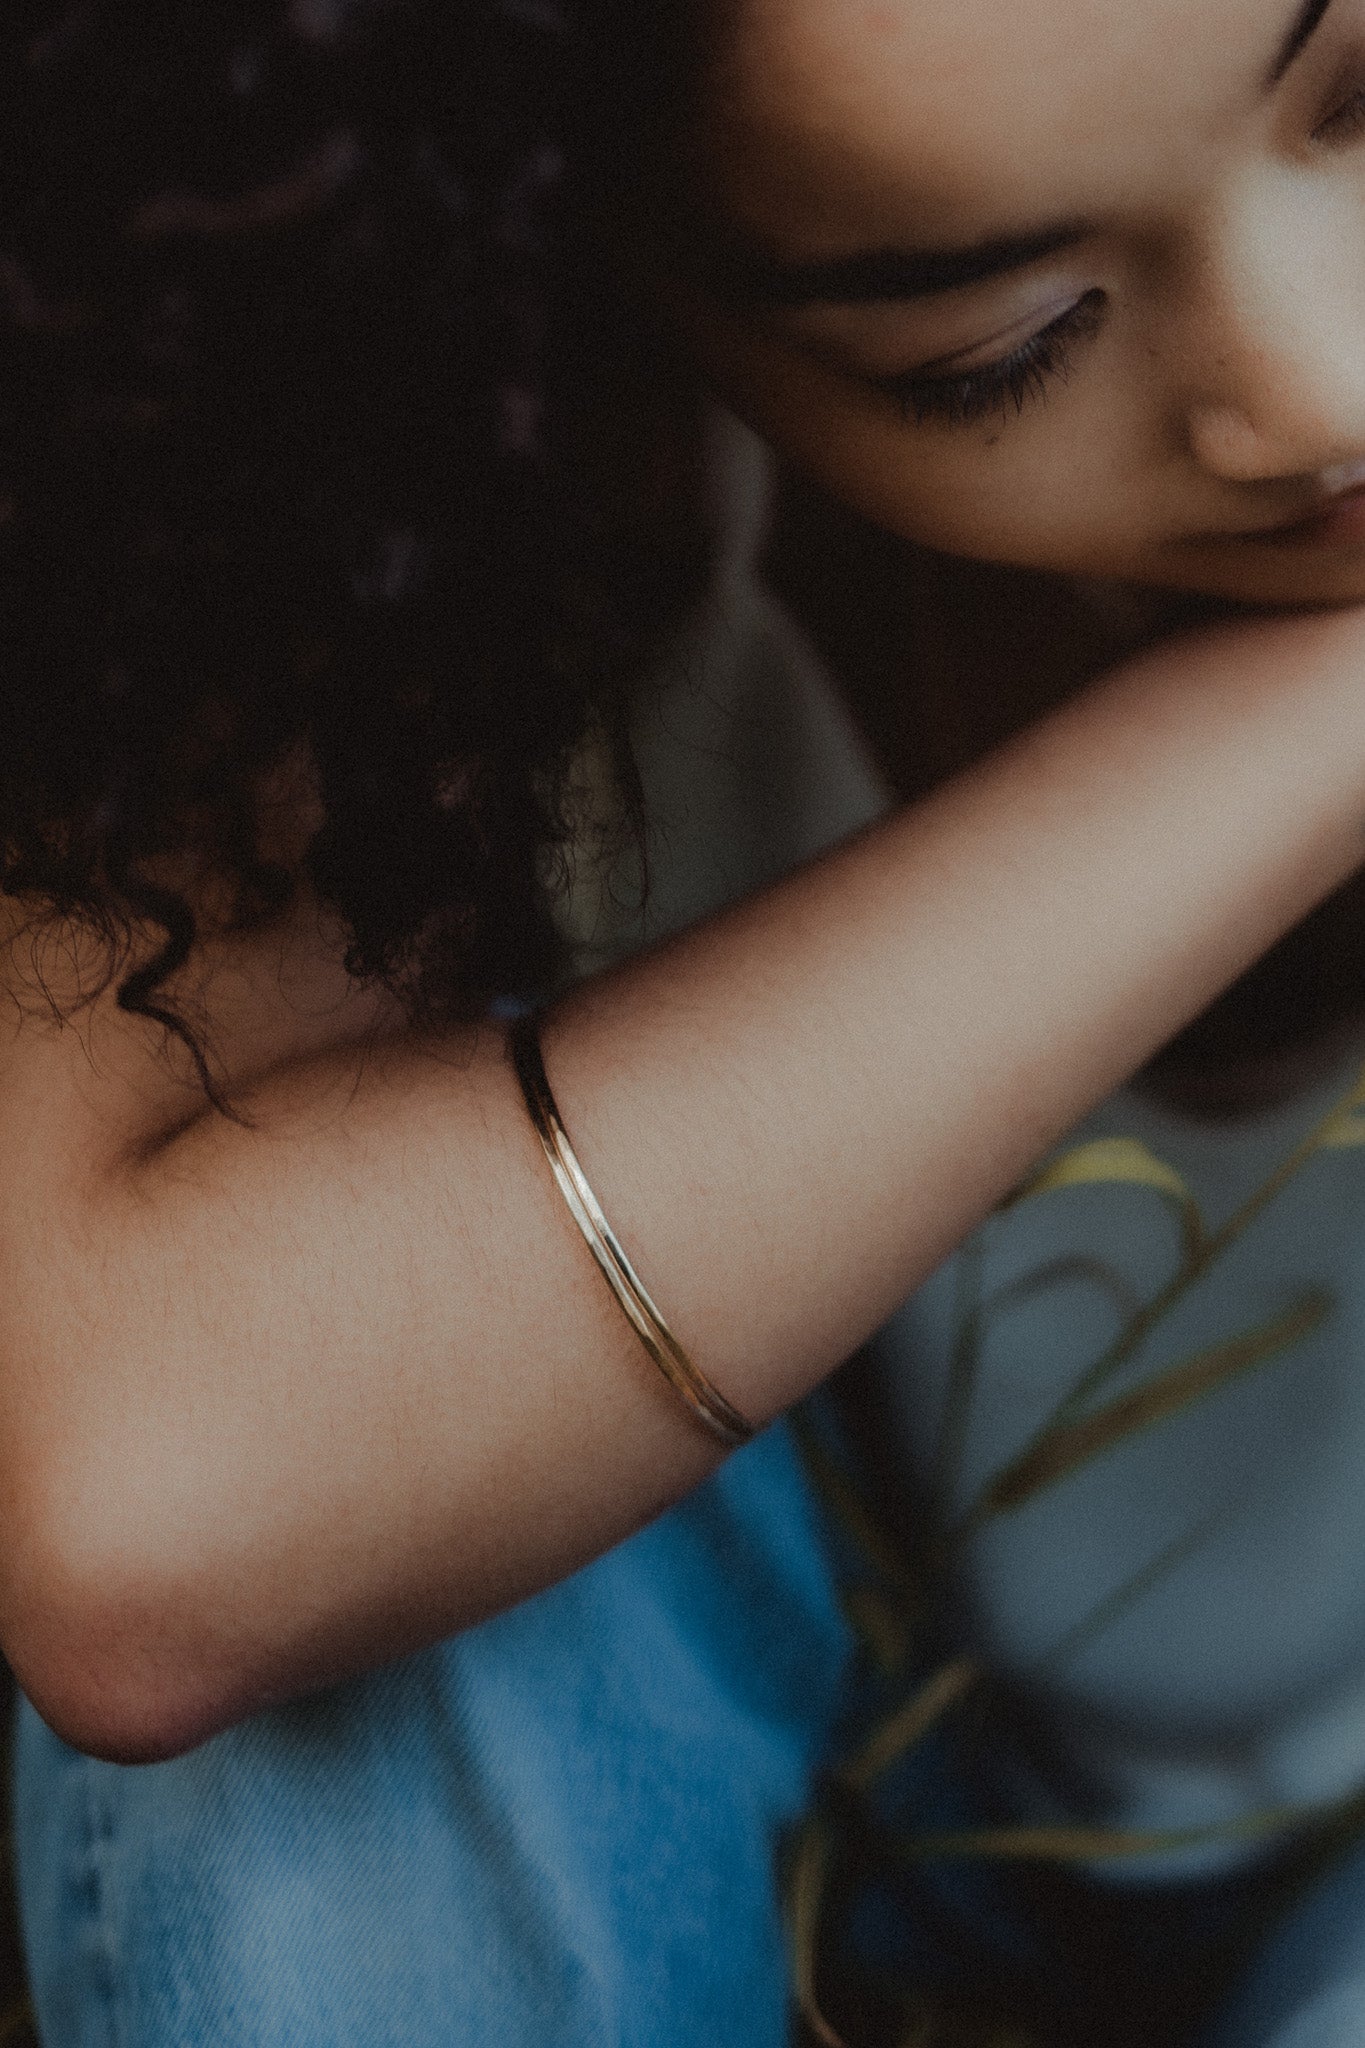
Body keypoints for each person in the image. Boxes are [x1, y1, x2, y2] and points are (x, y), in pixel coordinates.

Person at [9, 0, 1365, 2043]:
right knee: (351, 1618)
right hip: (741, 1802)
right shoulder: (392, 462)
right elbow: (155, 1511)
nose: (1319, 387)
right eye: (992, 345)